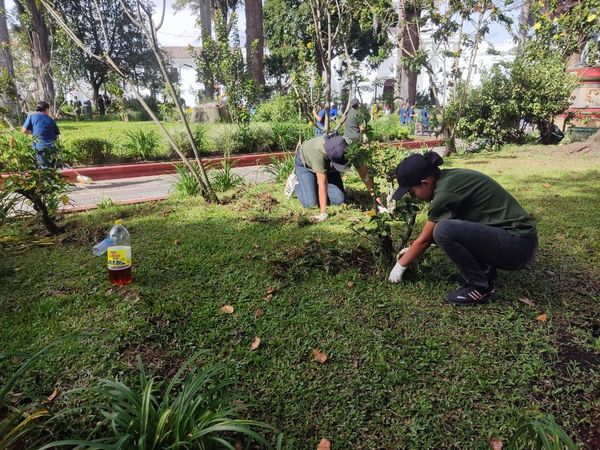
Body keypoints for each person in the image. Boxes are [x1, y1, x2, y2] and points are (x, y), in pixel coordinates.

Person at [387, 152, 538, 306]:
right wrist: (412, 249)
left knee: (442, 230)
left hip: (518, 246)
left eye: (412, 193)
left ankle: (479, 287)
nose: (414, 197)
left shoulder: (444, 194)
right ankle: (484, 273)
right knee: (447, 226)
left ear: (425, 182)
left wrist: (400, 266)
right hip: (519, 241)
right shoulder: (450, 178)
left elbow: (426, 238)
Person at [285, 134, 380, 222]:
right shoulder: (317, 152)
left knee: (339, 200)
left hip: (328, 166)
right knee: (310, 204)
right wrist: (323, 213)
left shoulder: (350, 149)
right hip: (305, 164)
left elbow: (365, 175)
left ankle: (312, 185)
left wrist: (376, 198)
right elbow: (322, 183)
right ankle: (296, 182)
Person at [22, 101, 61, 169]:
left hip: (40, 147)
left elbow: (24, 130)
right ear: (46, 109)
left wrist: (33, 133)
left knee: (44, 169)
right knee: (53, 168)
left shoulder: (32, 116)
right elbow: (57, 136)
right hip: (52, 147)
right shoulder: (51, 120)